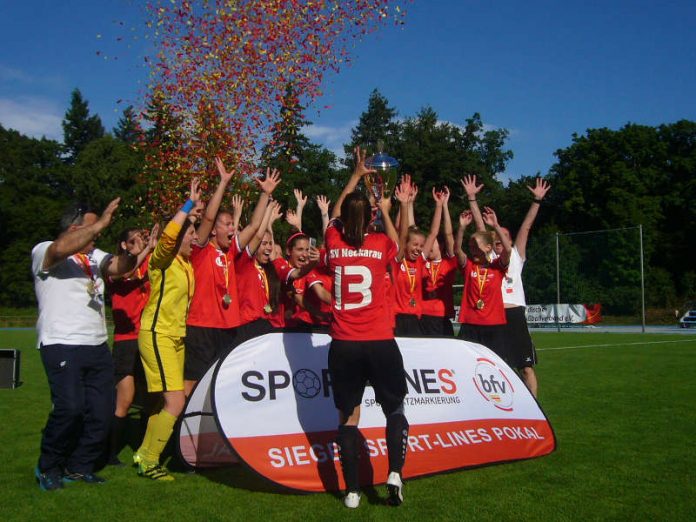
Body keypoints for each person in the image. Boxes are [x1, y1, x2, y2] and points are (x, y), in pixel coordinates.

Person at [32, 198, 137, 490]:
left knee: (102, 412)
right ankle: (49, 465)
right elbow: (58, 249)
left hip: (96, 344)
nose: (98, 235)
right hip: (61, 342)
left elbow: (120, 267)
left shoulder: (93, 257)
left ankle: (79, 466)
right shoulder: (45, 249)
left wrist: (137, 253)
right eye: (92, 229)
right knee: (69, 409)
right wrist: (101, 221)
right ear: (75, 228)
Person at [326, 147, 409, 509]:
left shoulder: (332, 240)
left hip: (344, 342)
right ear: (371, 216)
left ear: (345, 219)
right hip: (379, 340)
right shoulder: (380, 243)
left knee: (349, 416)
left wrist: (357, 175)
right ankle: (394, 472)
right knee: (395, 408)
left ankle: (352, 491)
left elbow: (333, 212)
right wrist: (389, 211)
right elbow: (400, 246)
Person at [184, 159, 279, 395]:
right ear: (214, 230)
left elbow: (255, 226)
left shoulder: (232, 252)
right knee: (193, 387)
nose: (231, 228)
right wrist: (223, 183)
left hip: (228, 327)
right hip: (201, 326)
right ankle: (182, 429)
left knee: (220, 385)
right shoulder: (201, 249)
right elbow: (207, 218)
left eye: (231, 224)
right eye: (226, 224)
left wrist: (265, 195)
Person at [134, 179, 202, 481]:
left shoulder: (187, 263)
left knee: (170, 401)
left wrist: (196, 214)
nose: (195, 238)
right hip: (157, 334)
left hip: (176, 337)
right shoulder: (162, 259)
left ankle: (143, 453)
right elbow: (170, 233)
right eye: (190, 234)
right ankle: (149, 459)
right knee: (175, 401)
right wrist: (186, 206)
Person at [106, 225, 159, 465]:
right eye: (134, 240)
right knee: (125, 399)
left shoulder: (148, 262)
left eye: (144, 238)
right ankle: (109, 452)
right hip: (126, 341)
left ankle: (143, 448)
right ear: (124, 245)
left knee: (150, 398)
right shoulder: (114, 265)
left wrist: (154, 248)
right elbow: (124, 273)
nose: (141, 242)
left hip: (147, 338)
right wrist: (145, 248)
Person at [494, 178, 551, 397]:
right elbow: (481, 228)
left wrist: (537, 200)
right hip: (495, 315)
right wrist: (472, 199)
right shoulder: (490, 259)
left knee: (526, 368)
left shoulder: (517, 256)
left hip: (515, 314)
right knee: (498, 366)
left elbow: (526, 226)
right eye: (497, 241)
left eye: (504, 240)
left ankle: (534, 408)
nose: (501, 244)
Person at [455, 205, 512, 360]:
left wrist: (495, 226)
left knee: (495, 364)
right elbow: (457, 250)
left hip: (494, 325)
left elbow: (508, 250)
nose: (472, 249)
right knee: (466, 363)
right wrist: (461, 228)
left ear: (488, 247)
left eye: (476, 245)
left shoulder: (497, 267)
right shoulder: (469, 267)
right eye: (471, 246)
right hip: (470, 324)